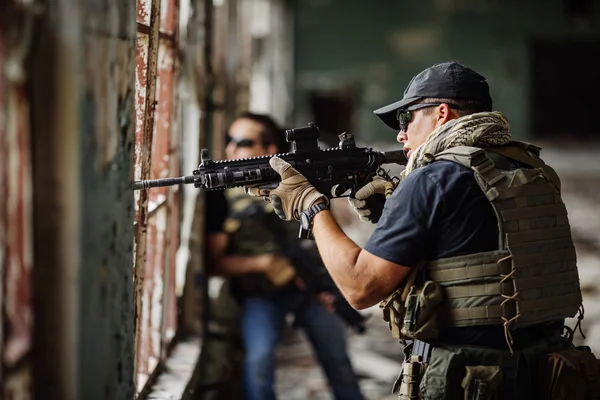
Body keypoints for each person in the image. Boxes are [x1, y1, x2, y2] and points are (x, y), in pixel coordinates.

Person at [245, 62, 599, 399]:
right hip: (549, 371)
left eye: (406, 118)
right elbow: (487, 239)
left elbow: (360, 287)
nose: (400, 134)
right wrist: (398, 211)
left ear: (442, 114)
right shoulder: (533, 169)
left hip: (473, 379)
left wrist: (311, 205)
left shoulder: (432, 179)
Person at [207, 112, 364, 400]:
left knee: (338, 364)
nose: (230, 150)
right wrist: (263, 264)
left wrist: (329, 285)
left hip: (313, 291)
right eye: (229, 141)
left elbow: (330, 238)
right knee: (259, 363)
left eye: (241, 142)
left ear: (269, 149)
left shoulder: (300, 183)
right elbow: (213, 263)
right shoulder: (222, 193)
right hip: (262, 294)